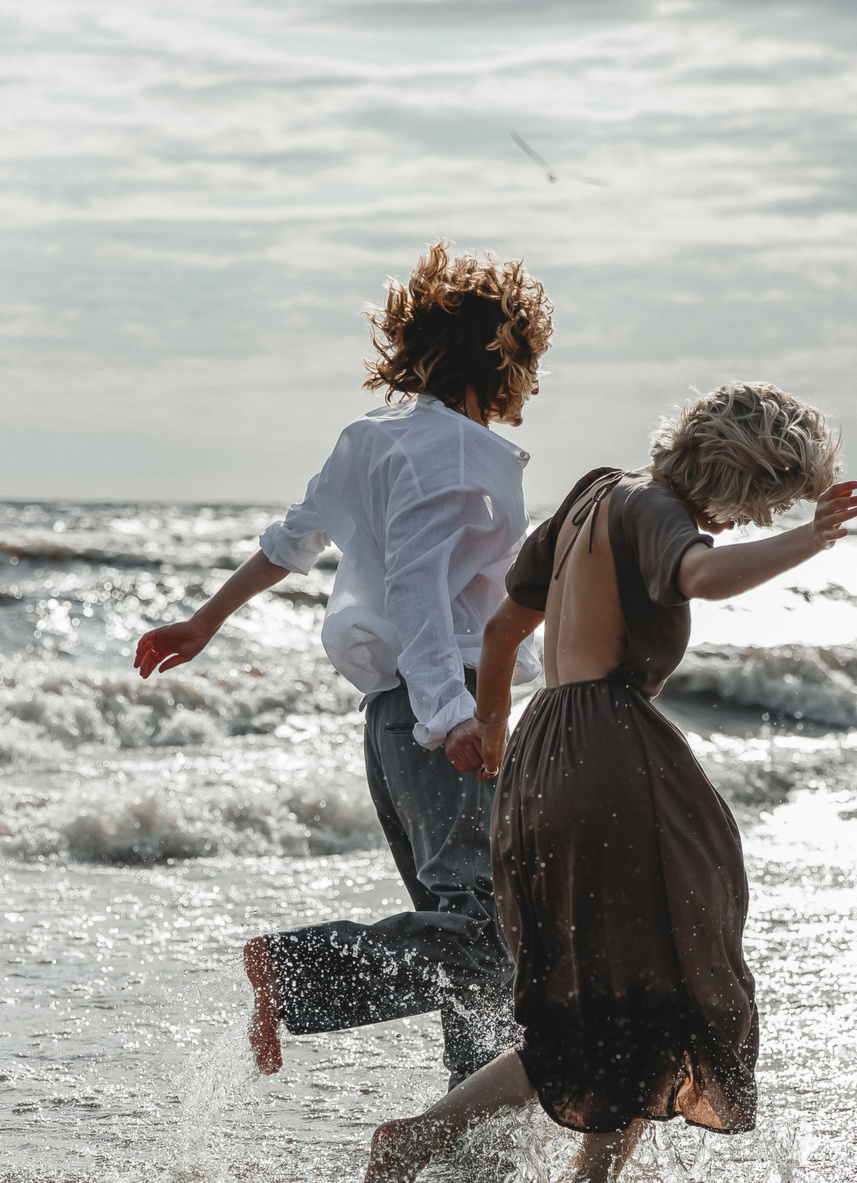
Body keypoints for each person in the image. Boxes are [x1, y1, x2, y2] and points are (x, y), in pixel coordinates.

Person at [360, 381, 857, 1183]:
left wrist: (491, 729)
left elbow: (501, 631)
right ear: (738, 477)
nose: (747, 520)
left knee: (616, 993)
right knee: (656, 985)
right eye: (761, 501)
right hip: (607, 757)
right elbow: (698, 573)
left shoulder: (596, 488)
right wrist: (808, 540)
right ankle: (424, 1142)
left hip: (543, 752)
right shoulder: (659, 511)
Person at [134, 244, 552, 1085]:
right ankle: (299, 973)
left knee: (470, 944)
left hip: (390, 724)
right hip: (446, 706)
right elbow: (417, 586)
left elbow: (292, 541)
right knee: (483, 934)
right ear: (501, 355)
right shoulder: (459, 451)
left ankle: (461, 1157)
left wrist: (207, 618)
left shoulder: (371, 439)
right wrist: (452, 716)